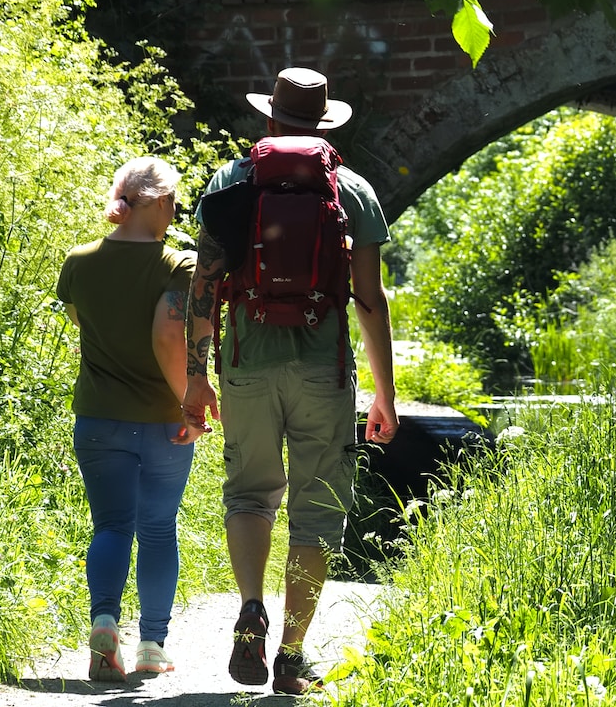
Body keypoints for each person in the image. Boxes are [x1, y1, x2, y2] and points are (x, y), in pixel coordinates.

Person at [181, 67, 398, 696]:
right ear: (325, 125)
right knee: (317, 511)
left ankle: (251, 608)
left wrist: (196, 377)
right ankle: (292, 655)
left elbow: (204, 284)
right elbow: (369, 299)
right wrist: (384, 393)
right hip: (322, 368)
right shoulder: (351, 189)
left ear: (271, 119)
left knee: (249, 495)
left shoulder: (231, 180)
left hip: (246, 361)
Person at [56, 156, 205, 683]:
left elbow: (82, 323)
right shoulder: (179, 265)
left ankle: (104, 623)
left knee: (111, 526)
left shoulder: (78, 262)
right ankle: (151, 646)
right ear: (160, 202)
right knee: (158, 529)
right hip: (164, 422)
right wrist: (190, 402)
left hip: (98, 418)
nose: (175, 212)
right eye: (174, 202)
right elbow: (169, 336)